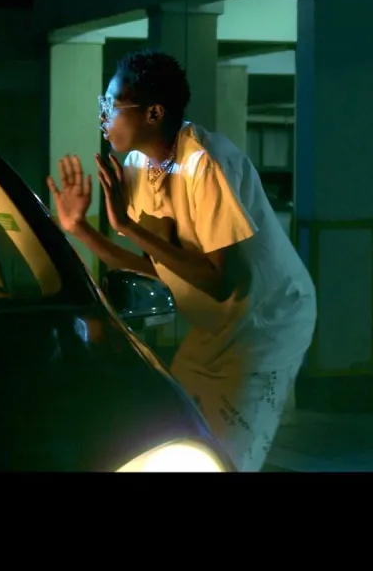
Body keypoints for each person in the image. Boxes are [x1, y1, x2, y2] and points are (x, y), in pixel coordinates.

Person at [46, 49, 316, 472]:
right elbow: (160, 270)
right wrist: (79, 228)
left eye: (112, 106)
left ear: (153, 113)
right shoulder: (136, 165)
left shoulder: (203, 162)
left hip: (267, 322)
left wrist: (126, 226)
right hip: (213, 329)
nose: (103, 117)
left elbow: (219, 282)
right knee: (171, 436)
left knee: (226, 454)